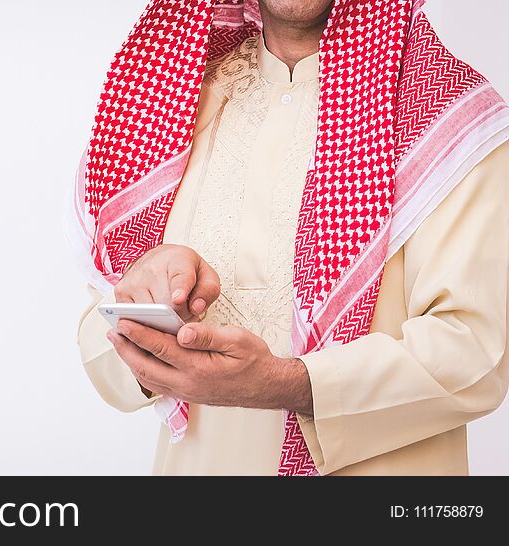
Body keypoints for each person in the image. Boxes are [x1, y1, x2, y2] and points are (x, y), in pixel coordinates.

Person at [67, 0, 509, 475]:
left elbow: (475, 354)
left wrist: (289, 384)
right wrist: (146, 300)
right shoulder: (175, 99)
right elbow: (102, 344)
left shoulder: (448, 120)